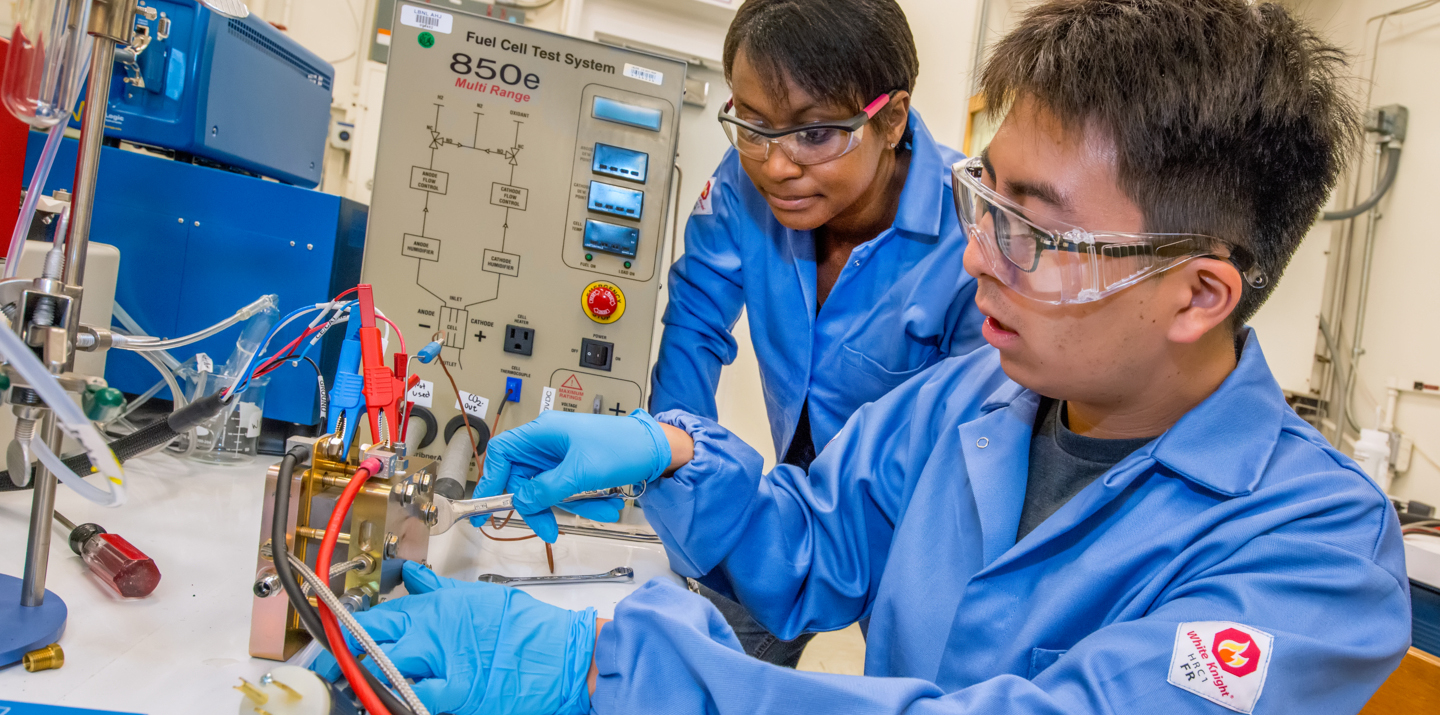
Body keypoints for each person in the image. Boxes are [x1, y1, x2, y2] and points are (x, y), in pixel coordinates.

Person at [320, 1, 1412, 713]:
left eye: (1030, 228)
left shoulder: (1315, 553)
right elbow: (811, 543)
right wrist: (668, 449)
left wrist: (608, 667)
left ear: (1197, 292)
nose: (976, 255)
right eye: (981, 198)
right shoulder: (971, 401)